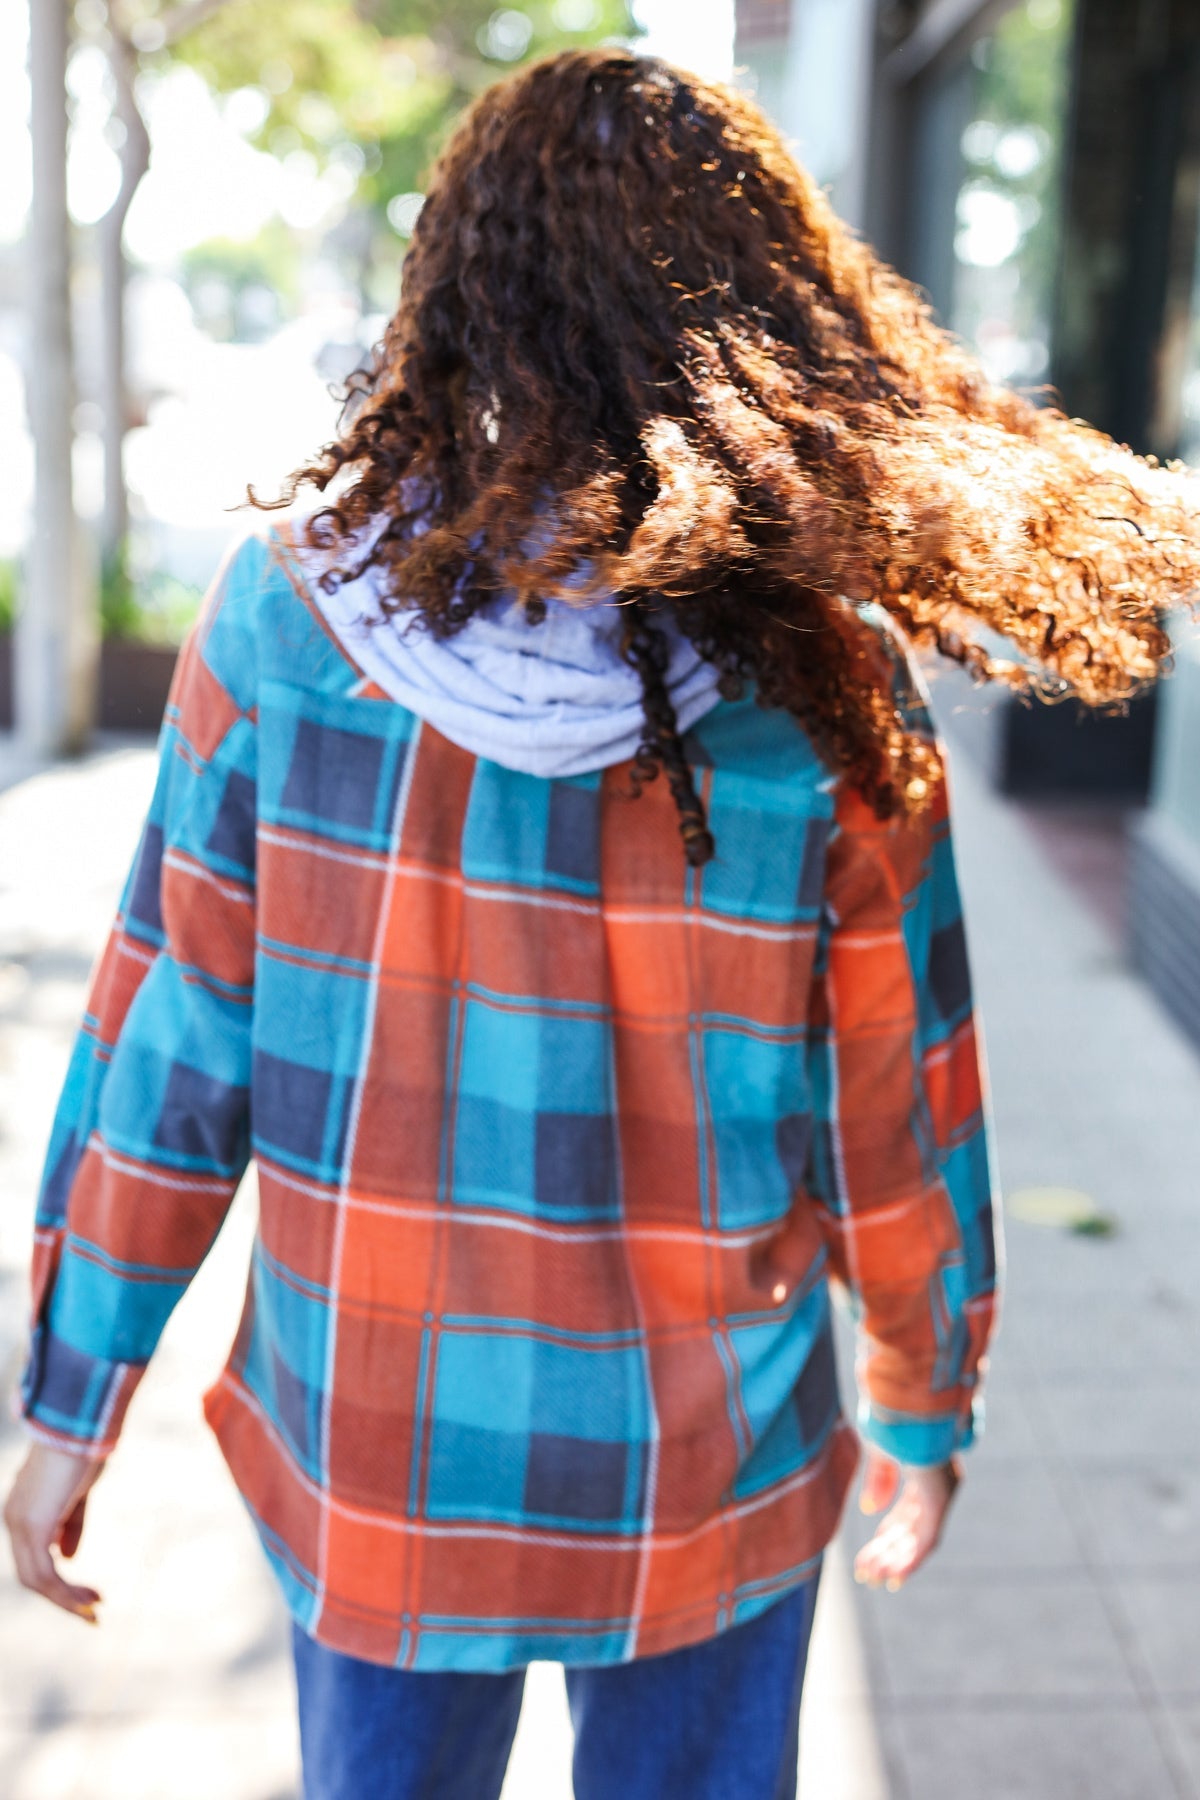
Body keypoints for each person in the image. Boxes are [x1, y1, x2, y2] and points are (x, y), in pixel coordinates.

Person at [6, 47, 1198, 1800]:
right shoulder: (821, 672)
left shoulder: (284, 622)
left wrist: (65, 1399)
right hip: (703, 1473)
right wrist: (924, 1404)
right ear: (766, 321)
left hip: (386, 1458)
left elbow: (169, 1046)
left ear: (458, 296)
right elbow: (903, 1092)